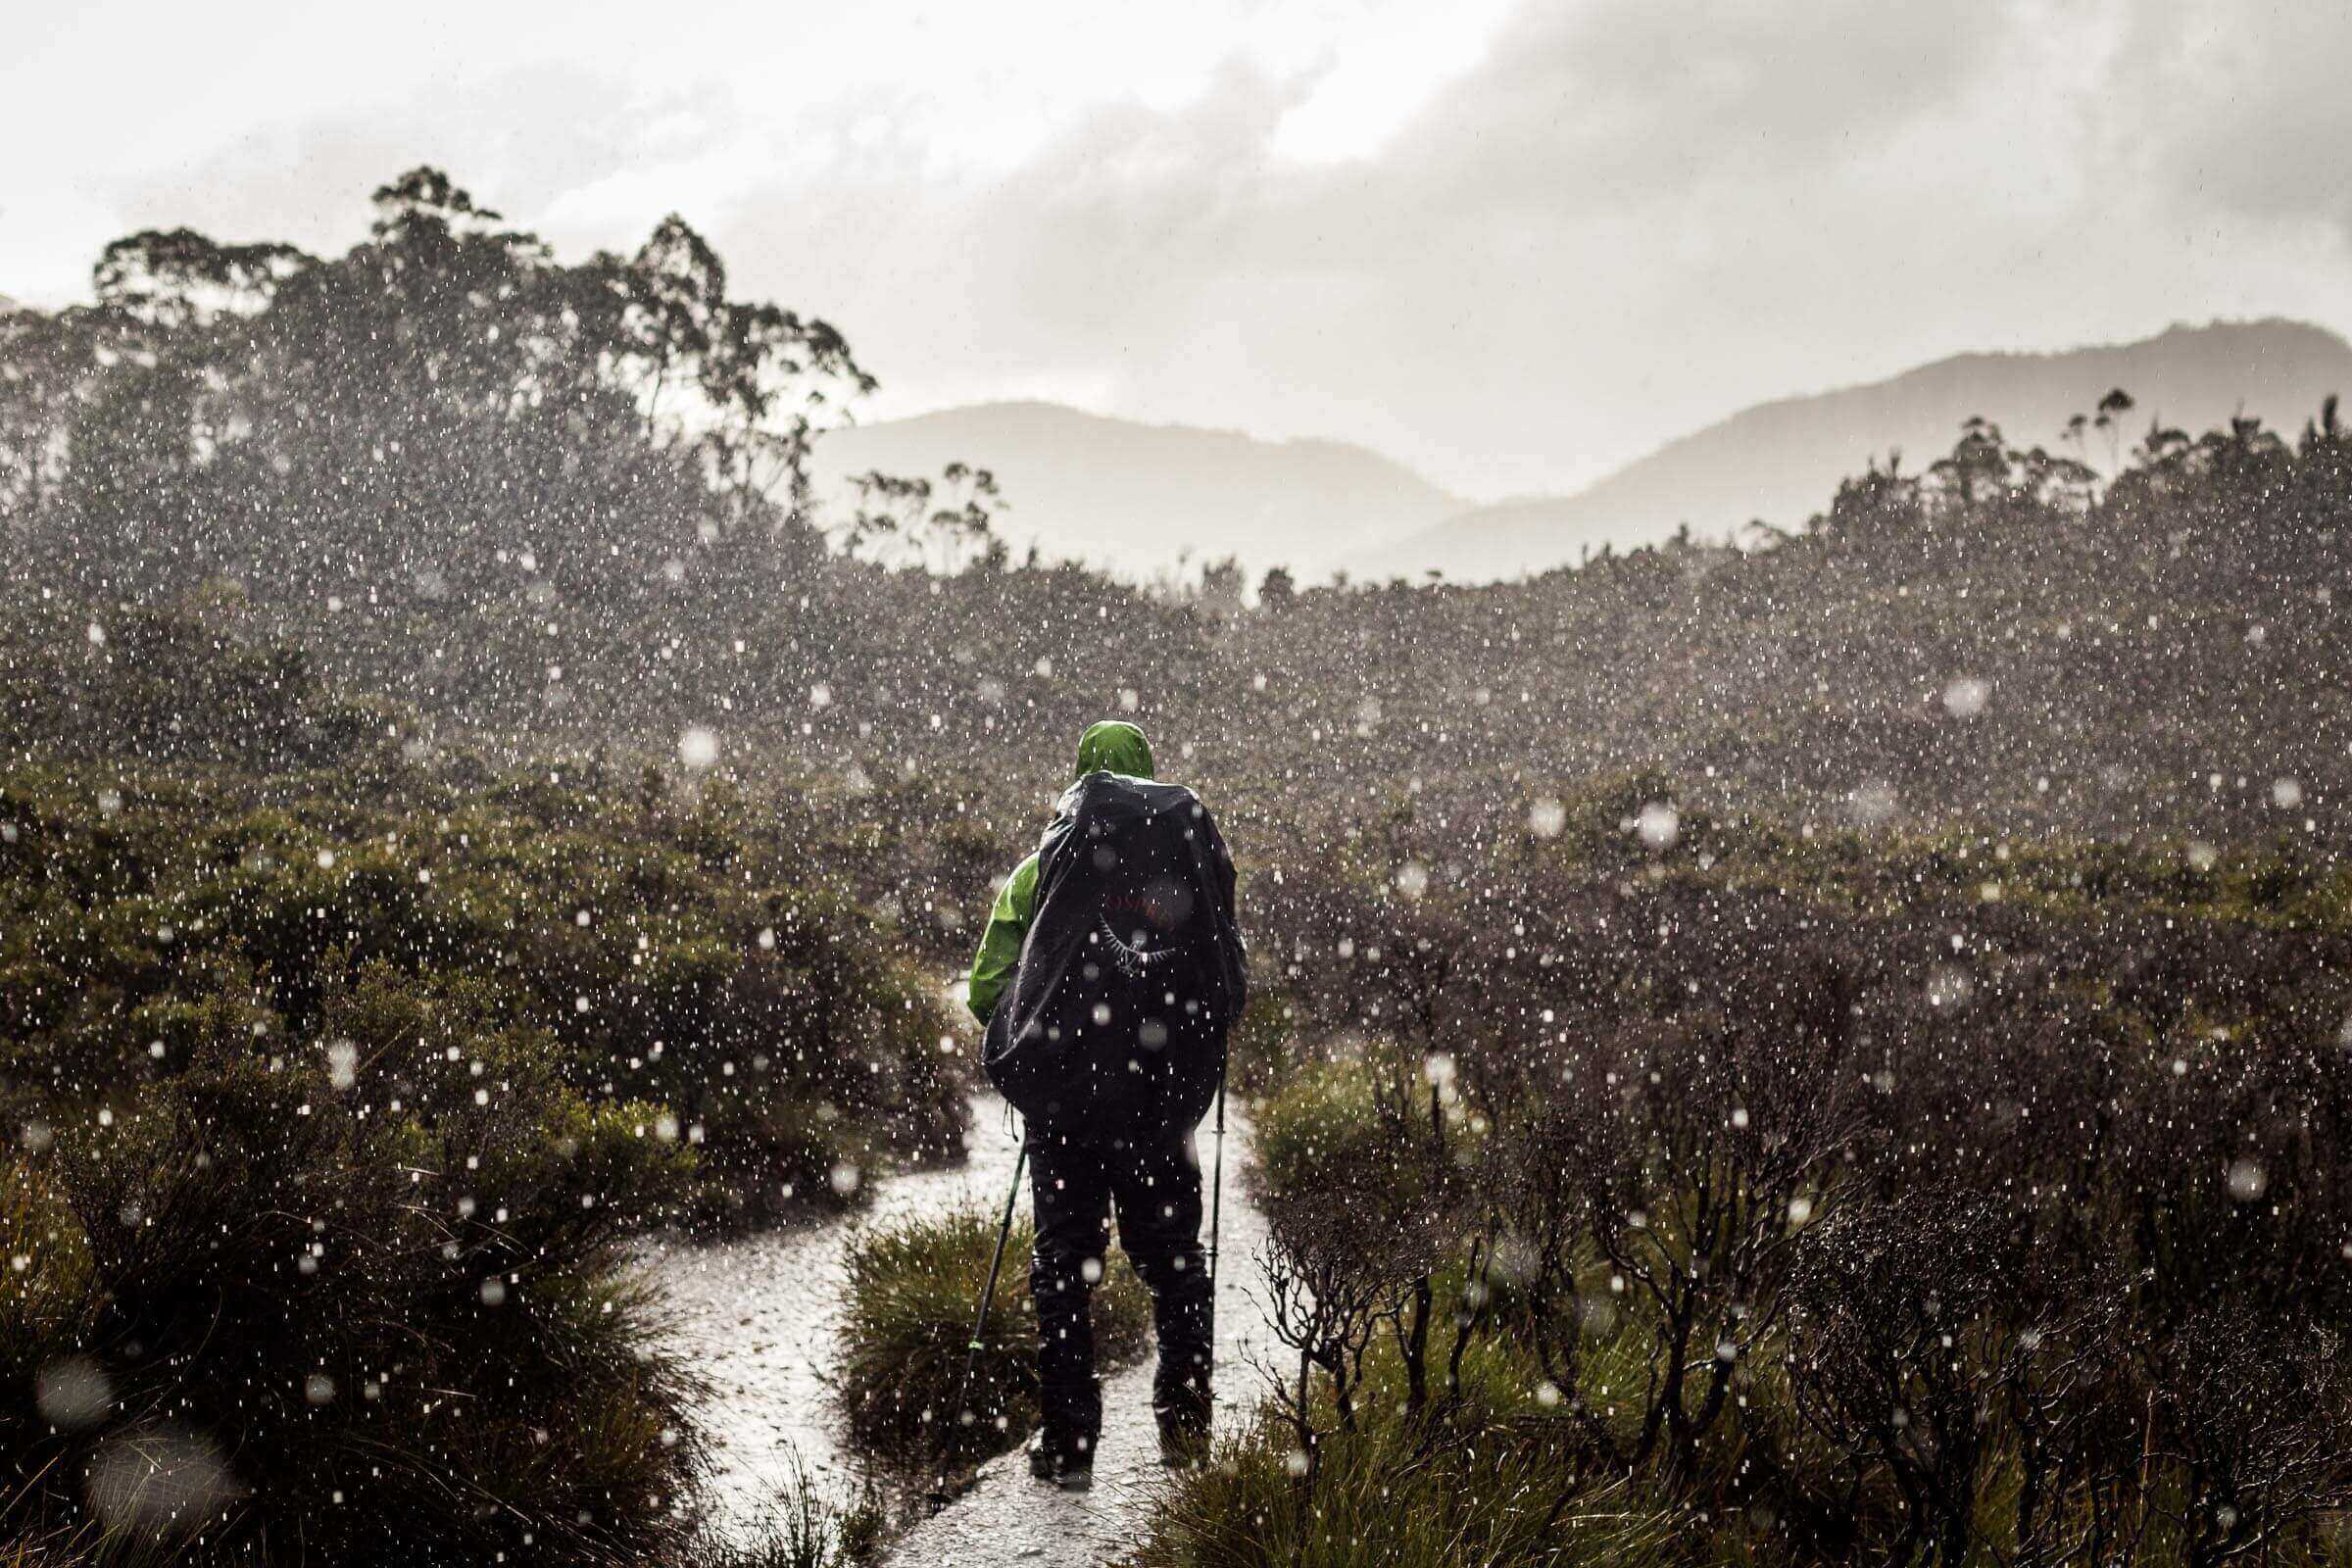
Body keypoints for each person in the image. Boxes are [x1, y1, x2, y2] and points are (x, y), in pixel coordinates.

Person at [966, 720, 1246, 1491]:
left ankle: (1069, 1446)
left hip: (1066, 1112)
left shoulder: (1042, 873)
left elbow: (988, 989)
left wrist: (1035, 1041)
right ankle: (1186, 1435)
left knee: (1062, 1265)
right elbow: (1226, 981)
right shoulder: (1191, 868)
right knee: (1177, 1264)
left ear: (1081, 779)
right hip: (1161, 1110)